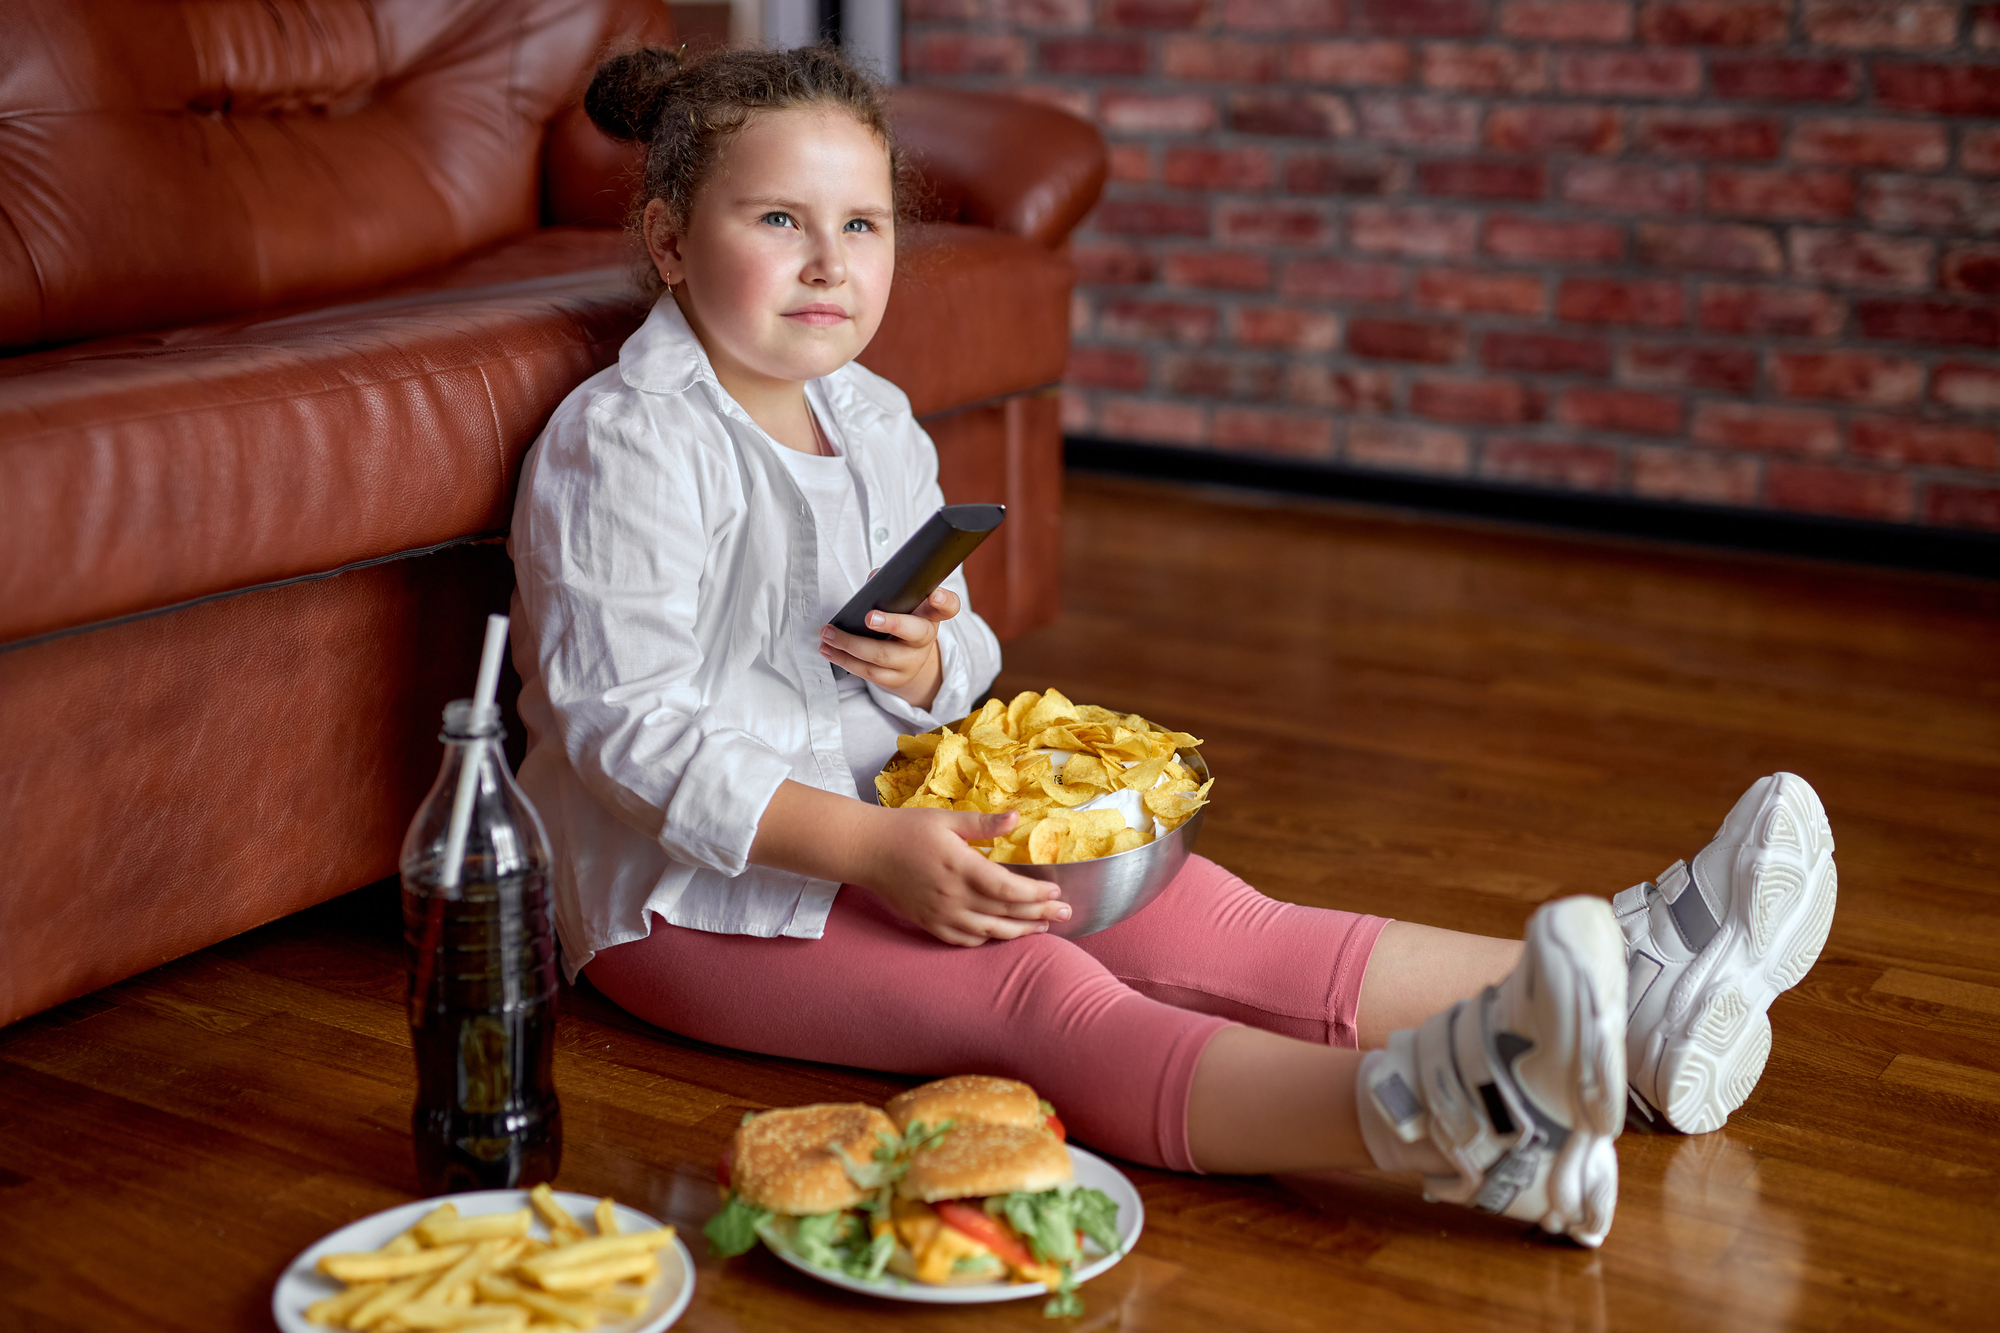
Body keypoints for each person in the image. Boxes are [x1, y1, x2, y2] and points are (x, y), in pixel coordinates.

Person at [507, 44, 1839, 1249]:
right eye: (779, 221)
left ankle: (1641, 993)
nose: (829, 264)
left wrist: (931, 669)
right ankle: (1456, 1128)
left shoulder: (873, 419)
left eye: (862, 225)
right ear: (672, 240)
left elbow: (959, 648)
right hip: (685, 899)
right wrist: (863, 849)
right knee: (1036, 990)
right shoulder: (628, 442)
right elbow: (626, 724)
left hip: (890, 822)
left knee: (1203, 910)